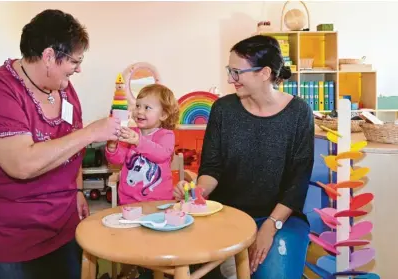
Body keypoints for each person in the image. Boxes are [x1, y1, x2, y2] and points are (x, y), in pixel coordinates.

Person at [0, 9, 120, 279]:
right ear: (49, 56)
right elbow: (22, 164)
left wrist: (77, 191)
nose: (79, 68)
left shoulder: (64, 90)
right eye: (74, 60)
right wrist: (91, 133)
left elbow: (71, 150)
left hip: (56, 219)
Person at [174, 35, 314, 279]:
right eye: (230, 71)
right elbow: (211, 168)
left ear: (264, 73)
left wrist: (270, 227)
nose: (230, 79)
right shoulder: (223, 109)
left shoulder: (299, 113)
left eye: (237, 72)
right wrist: (197, 192)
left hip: (280, 218)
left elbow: (297, 184)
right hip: (224, 215)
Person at [105, 83, 179, 279]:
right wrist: (112, 146)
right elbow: (117, 161)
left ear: (163, 115)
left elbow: (162, 154)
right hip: (129, 201)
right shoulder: (131, 133)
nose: (140, 111)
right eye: (138, 106)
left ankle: (156, 269)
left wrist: (137, 142)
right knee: (130, 242)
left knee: (155, 242)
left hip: (158, 204)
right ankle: (132, 268)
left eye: (147, 107)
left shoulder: (166, 135)